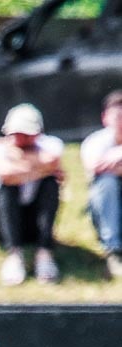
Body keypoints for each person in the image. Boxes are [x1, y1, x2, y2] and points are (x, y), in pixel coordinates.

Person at [0, 103, 65, 286]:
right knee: (6, 190)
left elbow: (52, 161)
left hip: (35, 220)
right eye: (16, 133)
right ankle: (14, 255)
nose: (20, 138)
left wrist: (19, 163)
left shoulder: (51, 144)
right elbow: (7, 175)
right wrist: (38, 167)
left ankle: (44, 254)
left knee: (50, 185)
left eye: (26, 134)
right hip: (3, 220)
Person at [80, 89, 122, 280]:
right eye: (118, 116)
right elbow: (94, 165)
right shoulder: (95, 141)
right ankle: (113, 251)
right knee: (106, 182)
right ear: (105, 117)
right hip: (105, 206)